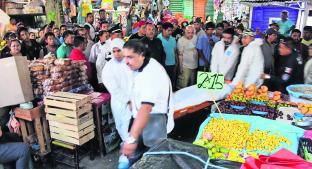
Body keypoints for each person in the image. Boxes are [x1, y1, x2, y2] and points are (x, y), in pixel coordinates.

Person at [121, 39, 174, 163]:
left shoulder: (151, 72)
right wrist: (131, 101)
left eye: (130, 57)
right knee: (136, 156)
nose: (126, 62)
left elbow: (146, 108)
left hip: (156, 120)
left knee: (155, 159)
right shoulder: (140, 65)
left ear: (142, 55)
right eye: (125, 57)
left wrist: (132, 139)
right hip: (141, 116)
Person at [102, 38, 133, 141]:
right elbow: (114, 88)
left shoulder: (131, 61)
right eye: (113, 51)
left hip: (135, 99)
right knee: (122, 125)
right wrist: (127, 100)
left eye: (118, 50)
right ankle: (128, 146)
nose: (116, 54)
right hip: (119, 102)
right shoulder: (109, 67)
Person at [157, 22, 177, 89]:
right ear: (163, 30)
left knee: (172, 82)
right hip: (163, 65)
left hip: (173, 64)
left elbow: (175, 51)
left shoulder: (173, 39)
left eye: (171, 30)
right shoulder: (158, 39)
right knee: (164, 84)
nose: (170, 32)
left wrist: (176, 63)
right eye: (168, 30)